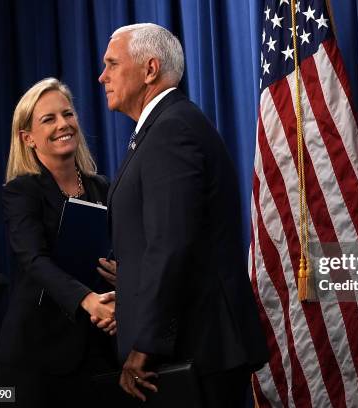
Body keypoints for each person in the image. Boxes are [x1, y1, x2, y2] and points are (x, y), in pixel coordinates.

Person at [99, 23, 269, 406]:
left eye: (112, 64)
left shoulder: (171, 130)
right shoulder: (163, 128)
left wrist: (145, 344)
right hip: (191, 344)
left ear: (150, 70)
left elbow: (172, 243)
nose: (102, 76)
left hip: (195, 348)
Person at [0, 78, 120, 407]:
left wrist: (120, 276)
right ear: (28, 138)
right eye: (48, 119)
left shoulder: (101, 187)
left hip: (96, 350)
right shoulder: (22, 191)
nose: (63, 124)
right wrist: (89, 300)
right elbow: (34, 261)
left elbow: (115, 252)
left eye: (67, 114)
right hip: (35, 358)